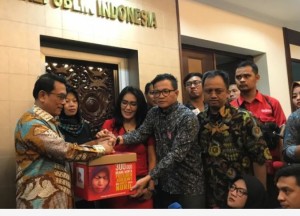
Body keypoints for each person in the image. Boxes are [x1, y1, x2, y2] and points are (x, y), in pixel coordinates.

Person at [98, 73, 205, 209]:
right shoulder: (154, 113)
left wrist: (149, 178)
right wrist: (118, 139)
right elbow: (141, 133)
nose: (160, 96)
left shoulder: (187, 117)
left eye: (165, 91)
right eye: (156, 92)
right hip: (165, 185)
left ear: (176, 92)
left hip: (189, 184)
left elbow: (176, 154)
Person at [15, 73, 114, 209]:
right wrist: (102, 149)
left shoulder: (49, 122)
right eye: (61, 97)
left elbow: (64, 149)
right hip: (39, 204)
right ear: (43, 96)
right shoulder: (31, 123)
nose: (64, 102)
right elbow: (66, 151)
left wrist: (97, 142)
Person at [198, 69, 271, 208]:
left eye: (218, 91)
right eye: (209, 91)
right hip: (210, 194)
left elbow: (259, 159)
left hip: (240, 194)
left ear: (227, 92)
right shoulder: (199, 120)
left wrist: (259, 196)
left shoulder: (244, 118)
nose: (213, 95)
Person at [231, 60, 286, 208]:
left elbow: (282, 135)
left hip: (273, 169)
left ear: (257, 77)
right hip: (243, 172)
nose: (242, 80)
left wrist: (283, 166)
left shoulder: (272, 103)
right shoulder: (231, 108)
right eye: (238, 77)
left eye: (247, 76)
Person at [100, 86, 156, 208]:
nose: (128, 108)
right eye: (124, 103)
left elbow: (152, 160)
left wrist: (150, 189)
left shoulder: (145, 127)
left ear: (139, 106)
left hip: (142, 186)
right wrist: (100, 140)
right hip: (114, 189)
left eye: (133, 104)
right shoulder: (109, 124)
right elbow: (101, 156)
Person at [58, 85, 97, 208]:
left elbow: (92, 150)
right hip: (65, 181)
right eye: (67, 101)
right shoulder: (55, 126)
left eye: (75, 101)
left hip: (86, 180)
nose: (72, 104)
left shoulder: (84, 125)